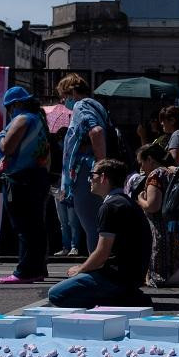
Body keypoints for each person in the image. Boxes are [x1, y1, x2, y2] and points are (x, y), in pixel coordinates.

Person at [48, 159, 151, 308]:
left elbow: (102, 252)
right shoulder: (127, 202)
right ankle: (125, 295)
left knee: (56, 294)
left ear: (103, 177)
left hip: (115, 278)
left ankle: (124, 300)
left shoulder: (109, 207)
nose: (90, 179)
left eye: (92, 175)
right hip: (133, 276)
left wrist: (81, 269)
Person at [0, 86, 51, 284]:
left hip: (21, 179)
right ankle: (37, 268)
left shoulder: (22, 119)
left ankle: (24, 271)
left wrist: (2, 136)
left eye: (10, 107)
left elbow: (8, 147)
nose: (9, 111)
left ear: (17, 104)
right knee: (35, 226)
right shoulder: (38, 119)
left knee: (24, 226)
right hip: (37, 177)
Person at [135, 144, 179, 287]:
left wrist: (140, 199)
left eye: (142, 163)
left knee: (163, 276)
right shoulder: (173, 172)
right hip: (177, 227)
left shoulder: (156, 174)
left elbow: (153, 206)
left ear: (150, 159)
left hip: (162, 231)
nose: (141, 168)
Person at [58, 73, 109, 253]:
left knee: (91, 225)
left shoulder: (81, 105)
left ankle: (95, 271)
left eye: (64, 96)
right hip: (91, 170)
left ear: (72, 91)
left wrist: (100, 166)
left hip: (86, 171)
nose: (64, 101)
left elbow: (95, 131)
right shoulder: (97, 105)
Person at [50, 128, 81, 256]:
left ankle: (74, 246)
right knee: (63, 219)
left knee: (72, 219)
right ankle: (66, 246)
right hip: (57, 185)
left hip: (69, 185)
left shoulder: (73, 151)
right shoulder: (55, 151)